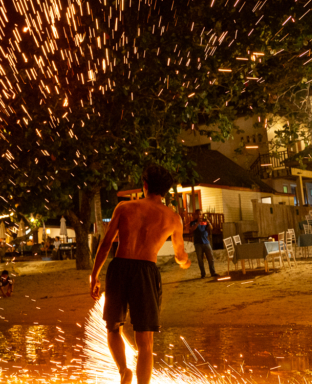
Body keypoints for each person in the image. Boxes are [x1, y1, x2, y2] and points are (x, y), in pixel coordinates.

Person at [90, 164, 191, 384]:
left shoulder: (124, 208)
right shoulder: (173, 218)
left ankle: (124, 370)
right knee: (145, 341)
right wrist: (185, 262)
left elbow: (106, 244)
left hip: (119, 267)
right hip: (146, 271)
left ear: (144, 185)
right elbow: (179, 254)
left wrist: (94, 276)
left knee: (113, 327)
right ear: (165, 191)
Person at [188, 209, 218, 279]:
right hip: (198, 243)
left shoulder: (205, 222)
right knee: (200, 259)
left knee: (210, 258)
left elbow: (211, 228)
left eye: (200, 214)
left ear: (202, 215)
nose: (199, 216)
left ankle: (213, 272)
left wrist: (209, 223)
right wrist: (197, 223)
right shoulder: (193, 222)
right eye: (197, 214)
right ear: (195, 215)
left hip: (206, 242)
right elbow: (192, 229)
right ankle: (203, 274)